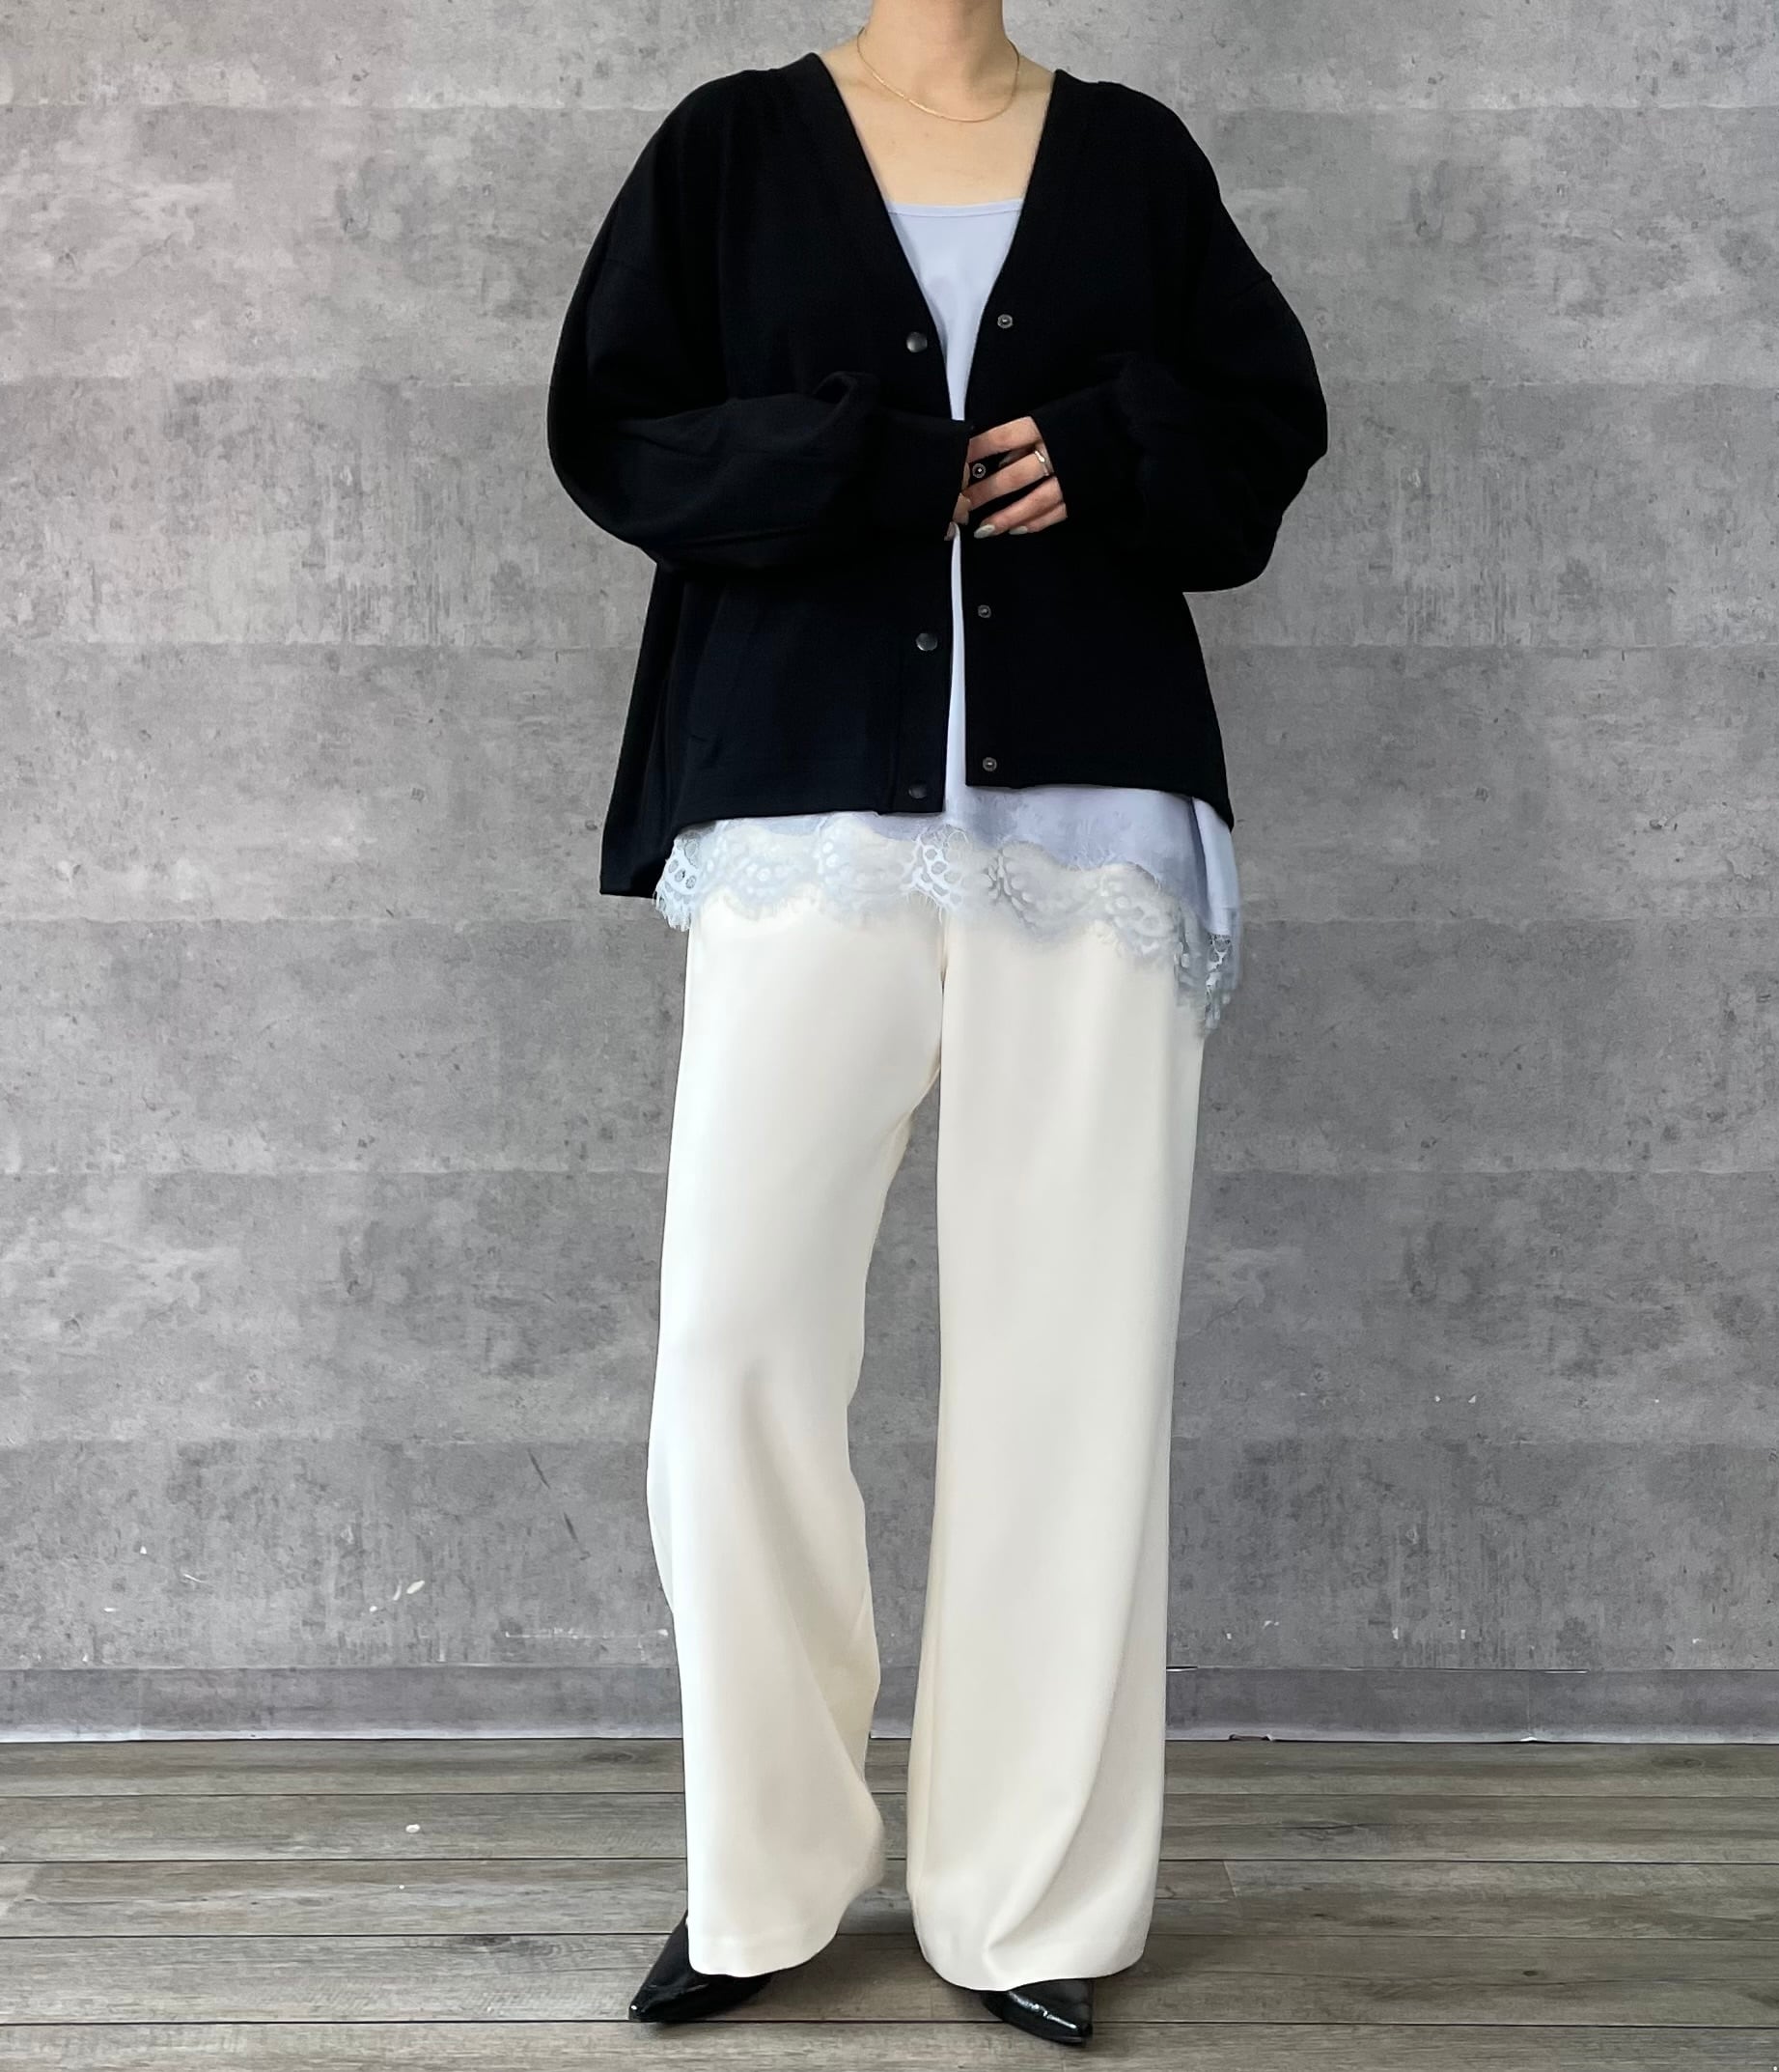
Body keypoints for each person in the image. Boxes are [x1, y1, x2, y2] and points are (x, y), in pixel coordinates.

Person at [545, 2, 1326, 2047]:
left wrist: (1112, 451)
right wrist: (850, 460)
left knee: (1072, 1360)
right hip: (803, 806)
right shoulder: (732, 146)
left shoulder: (1133, 156)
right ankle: (762, 1875)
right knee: (735, 1342)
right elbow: (613, 431)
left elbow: (1260, 440)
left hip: (1097, 828)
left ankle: (1028, 1897)